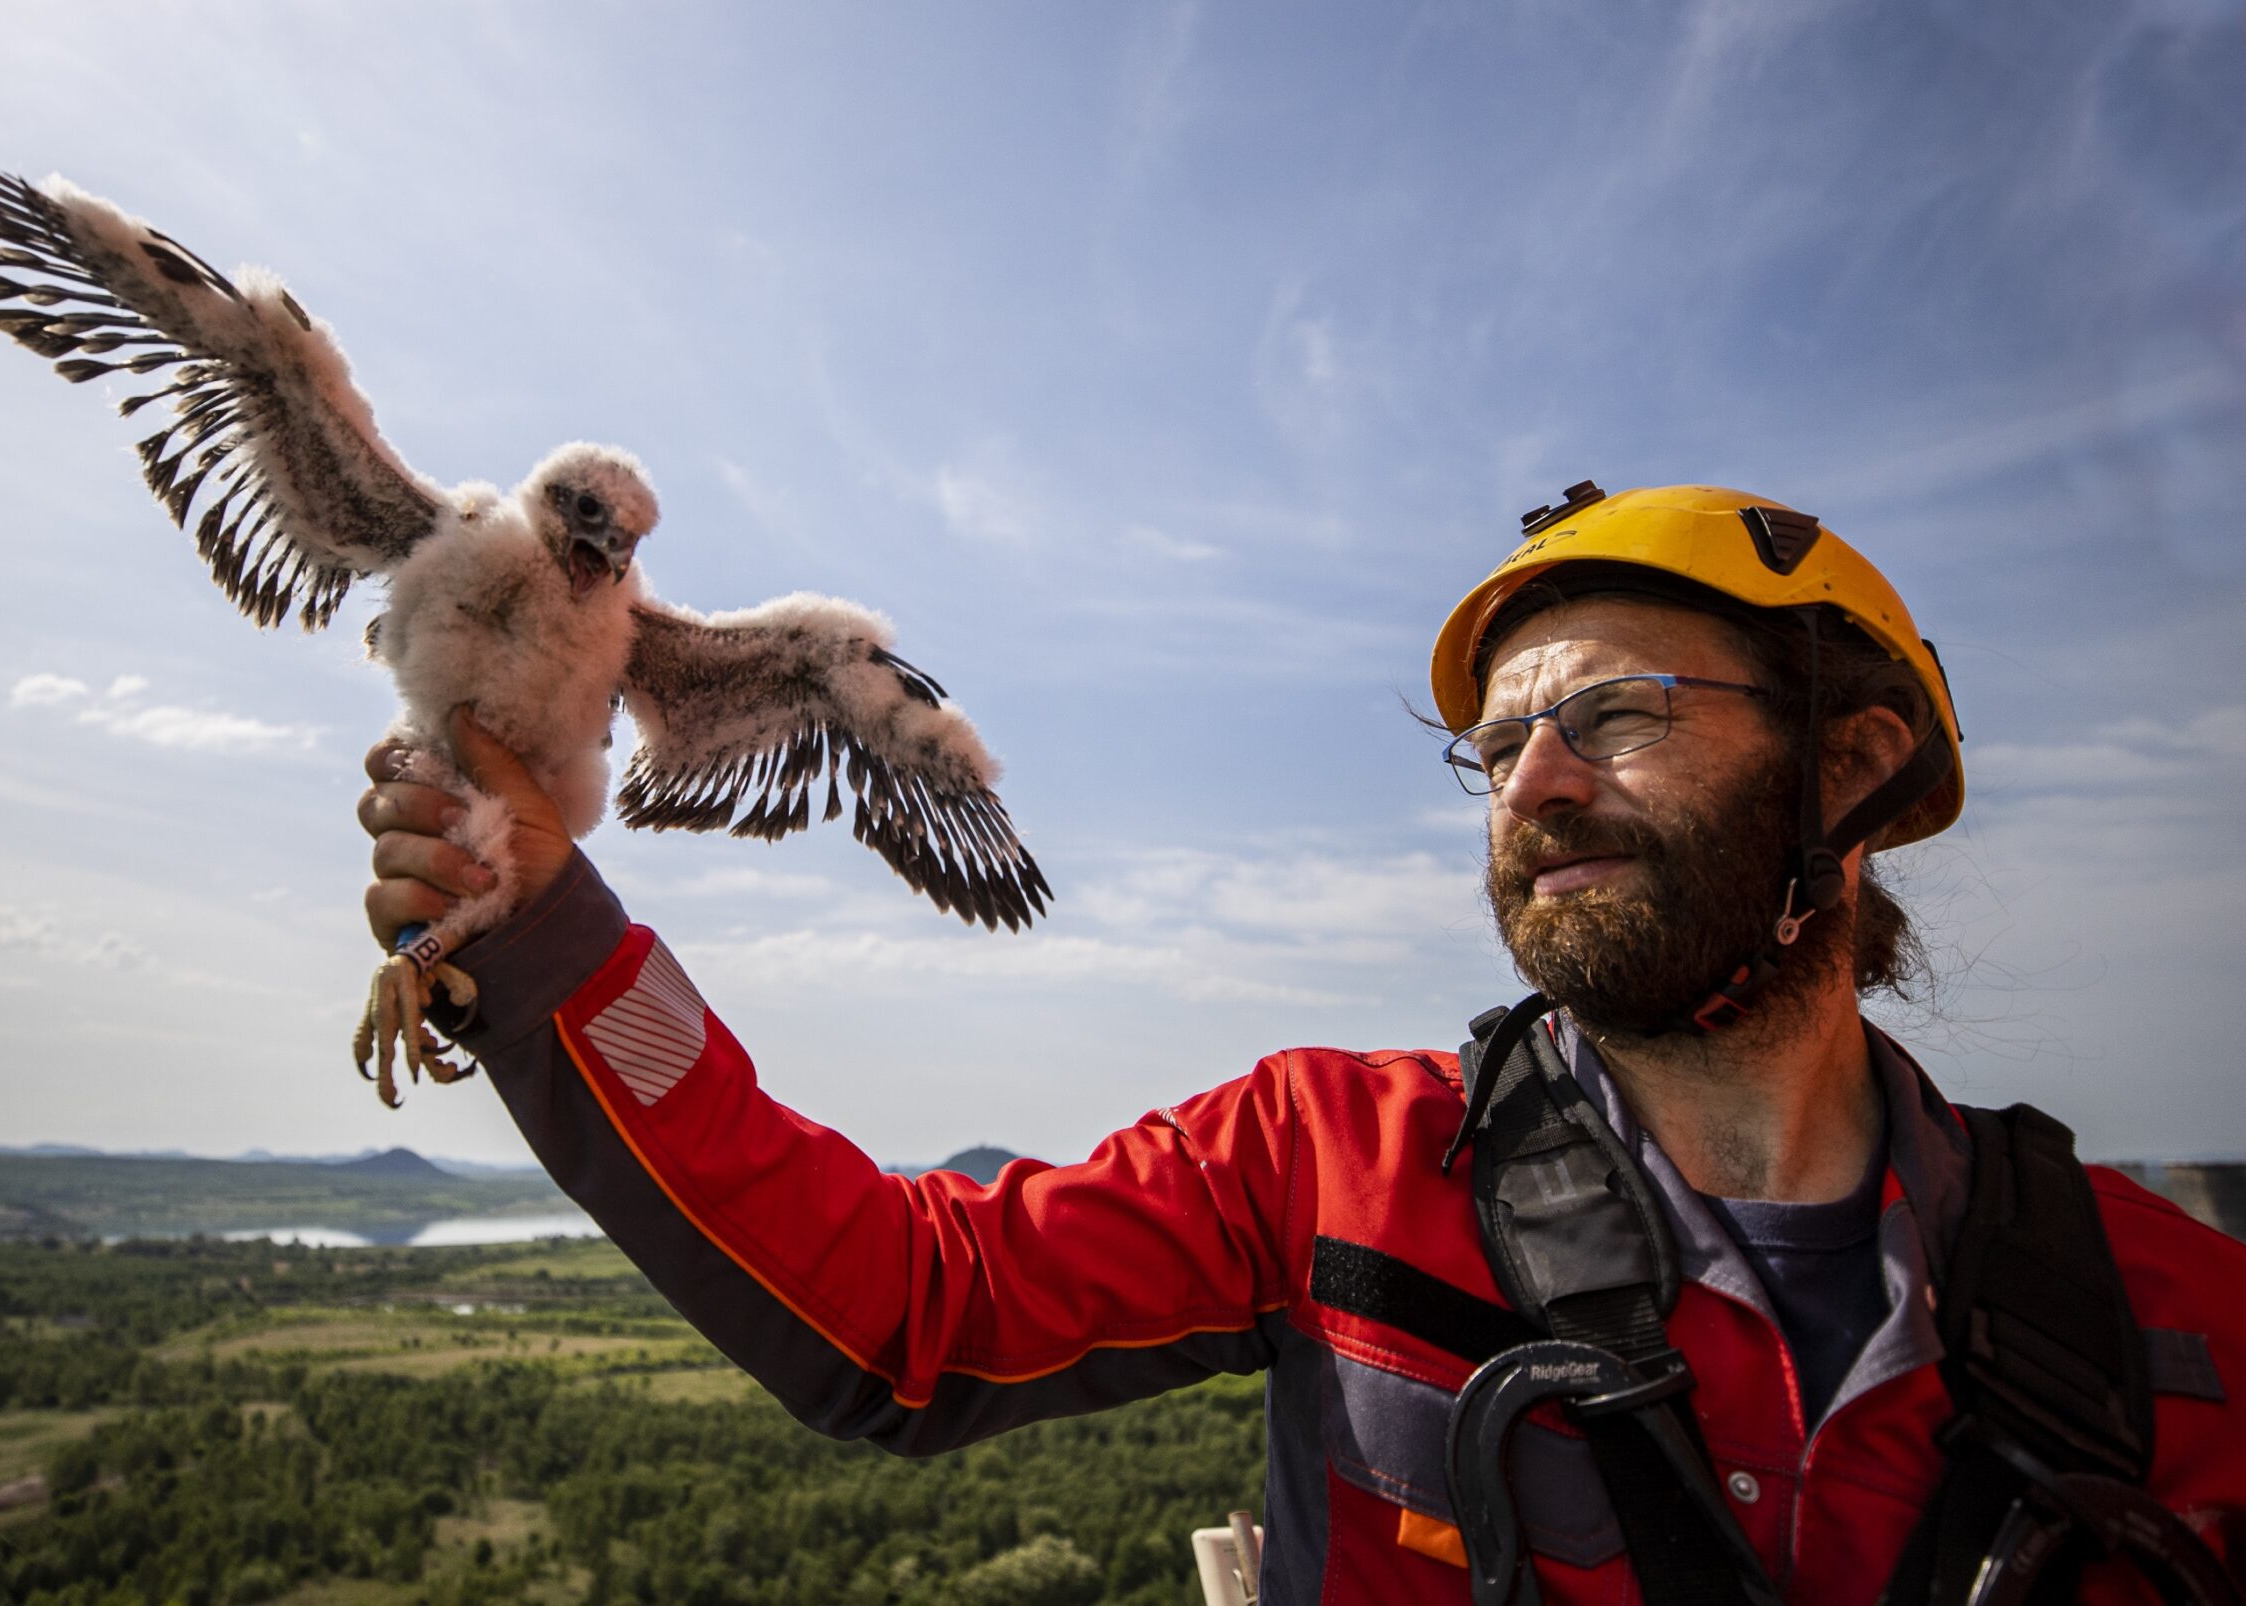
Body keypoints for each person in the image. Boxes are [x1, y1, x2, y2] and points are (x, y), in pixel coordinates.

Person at [357, 483, 2244, 1602]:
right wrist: (550, 936)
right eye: (1497, 744)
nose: (1535, 782)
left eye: (1615, 710)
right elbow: (901, 1307)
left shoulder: (2176, 1317)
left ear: (1849, 768)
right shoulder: (1324, 1163)